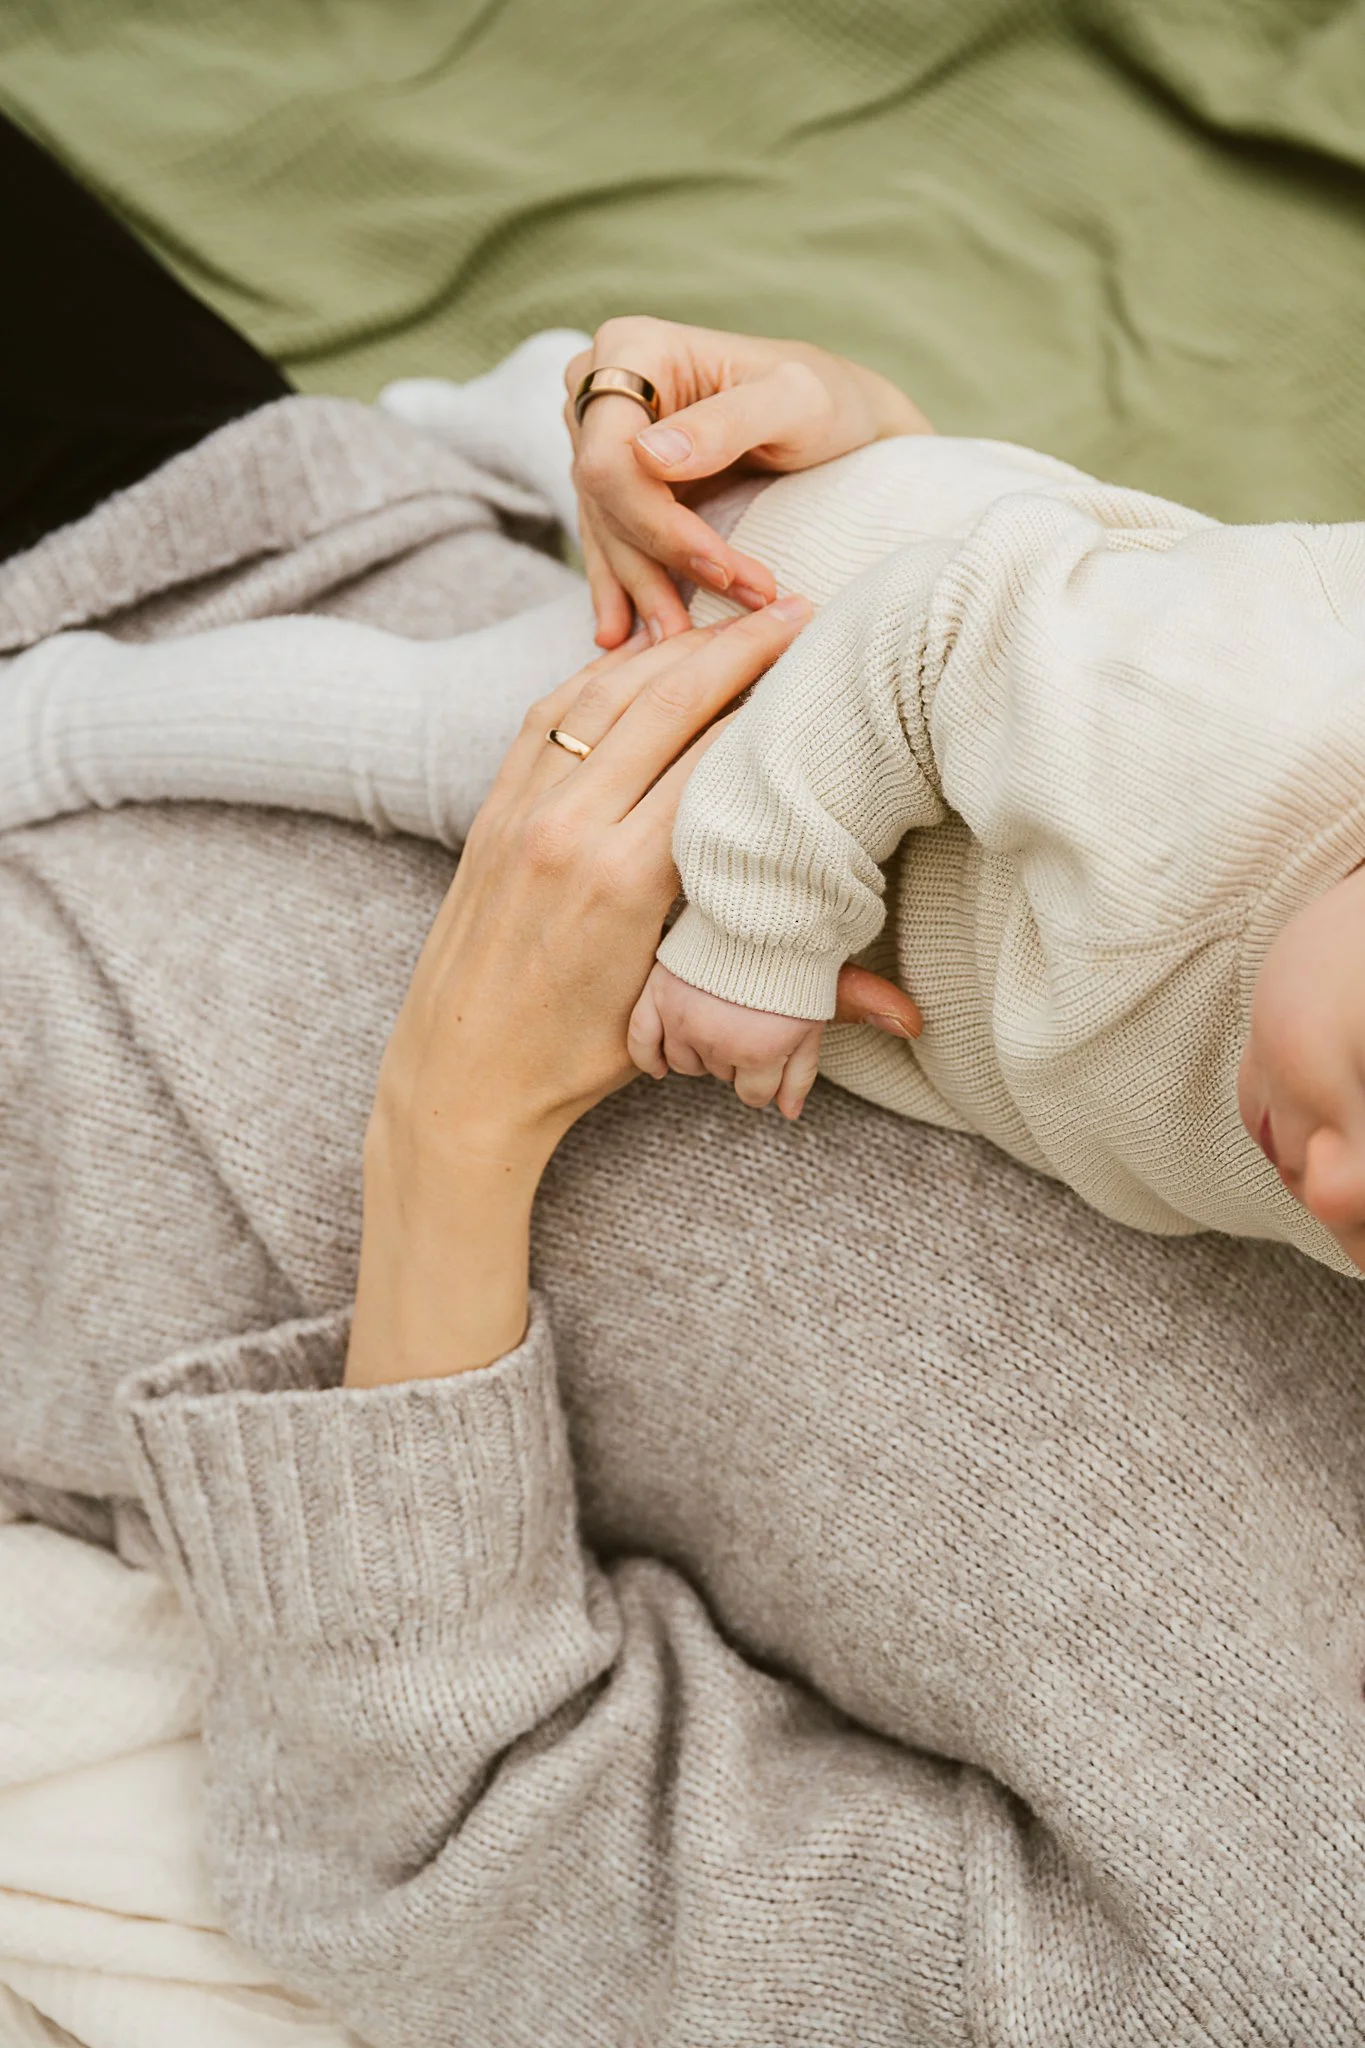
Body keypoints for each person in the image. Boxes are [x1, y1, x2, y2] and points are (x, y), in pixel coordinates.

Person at [6, 310, 1365, 2041]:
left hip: (59, 1092)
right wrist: (866, 472)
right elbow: (1194, 698)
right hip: (282, 518)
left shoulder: (1281, 1962)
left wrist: (458, 1116)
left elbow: (456, 1861)